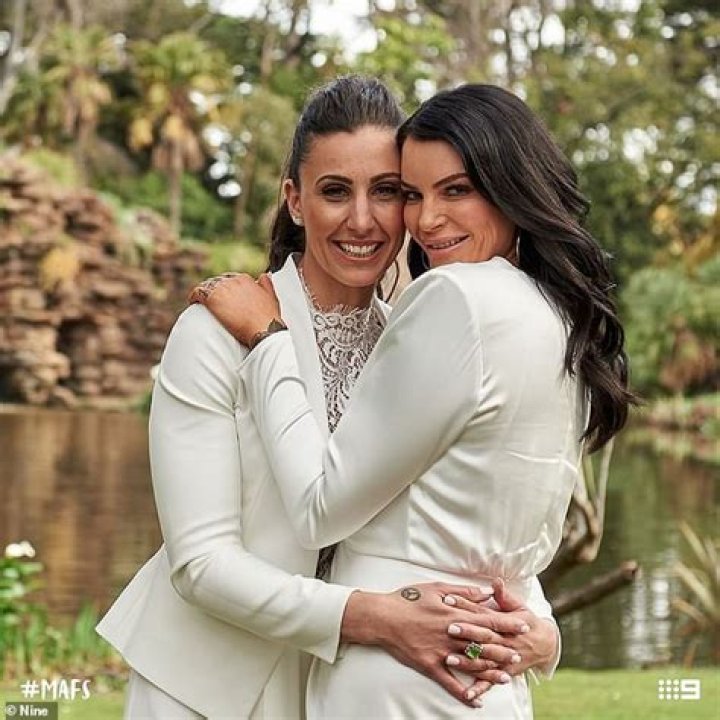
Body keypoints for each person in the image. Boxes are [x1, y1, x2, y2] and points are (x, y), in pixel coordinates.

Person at [97, 77, 559, 720]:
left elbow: (469, 510)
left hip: (347, 689)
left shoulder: (423, 341)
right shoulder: (215, 333)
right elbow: (200, 563)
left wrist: (540, 628)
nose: (362, 220)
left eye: (387, 191)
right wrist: (371, 617)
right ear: (294, 200)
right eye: (335, 191)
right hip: (208, 687)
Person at [192, 83, 636, 719]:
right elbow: (496, 525)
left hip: (399, 670)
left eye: (456, 191)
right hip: (481, 676)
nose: (426, 221)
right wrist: (541, 631)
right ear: (295, 199)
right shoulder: (561, 316)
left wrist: (268, 342)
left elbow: (320, 510)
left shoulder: (456, 299)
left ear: (512, 186)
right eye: (414, 194)